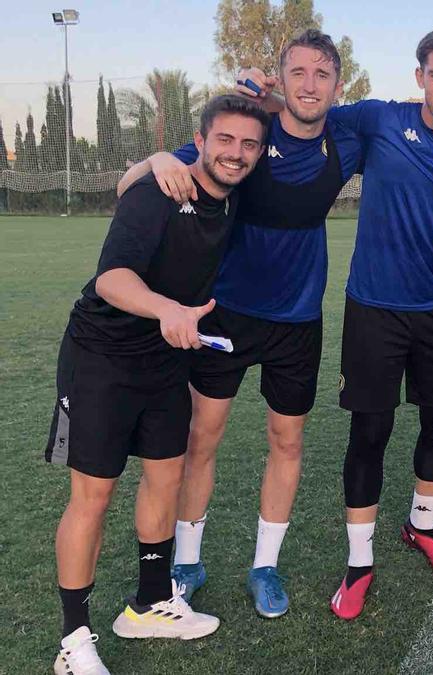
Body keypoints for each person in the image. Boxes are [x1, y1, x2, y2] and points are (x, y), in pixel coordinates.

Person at [115, 29, 364, 620]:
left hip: (298, 322)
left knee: (287, 441)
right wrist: (156, 159)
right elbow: (130, 184)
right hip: (223, 313)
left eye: (322, 74)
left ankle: (264, 566)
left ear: (337, 84)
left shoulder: (348, 142)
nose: (310, 84)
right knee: (202, 438)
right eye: (298, 72)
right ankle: (188, 562)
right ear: (282, 78)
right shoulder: (247, 135)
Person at [46, 95, 269, 675]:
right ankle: (74, 641)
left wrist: (151, 156)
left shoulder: (234, 194)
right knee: (93, 496)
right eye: (225, 140)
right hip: (103, 359)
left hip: (166, 361)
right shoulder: (159, 192)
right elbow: (112, 277)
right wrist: (169, 308)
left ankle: (147, 604)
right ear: (201, 140)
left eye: (248, 144)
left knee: (166, 476)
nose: (236, 154)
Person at [313, 29, 433, 620]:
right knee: (370, 431)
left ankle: (421, 527)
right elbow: (304, 113)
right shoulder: (378, 120)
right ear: (420, 75)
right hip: (374, 307)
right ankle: (359, 563)